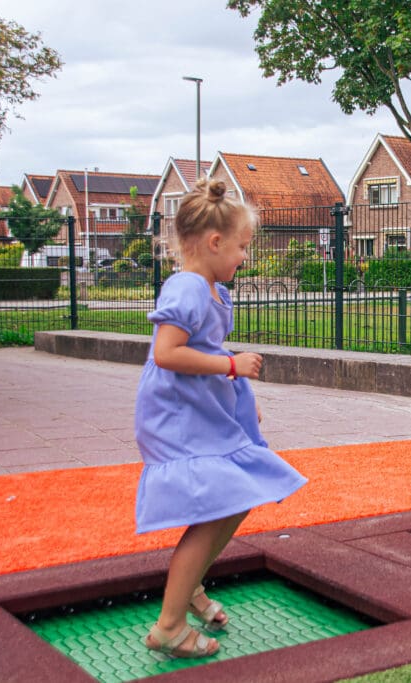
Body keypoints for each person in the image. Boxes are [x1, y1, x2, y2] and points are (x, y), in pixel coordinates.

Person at [134, 178, 307, 658]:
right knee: (216, 507)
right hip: (177, 418)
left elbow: (202, 348)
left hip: (202, 409)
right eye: (242, 247)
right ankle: (169, 626)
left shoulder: (207, 287)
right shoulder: (188, 287)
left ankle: (188, 588)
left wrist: (236, 391)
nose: (244, 258)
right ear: (214, 243)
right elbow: (167, 353)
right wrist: (231, 366)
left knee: (239, 495)